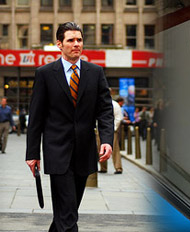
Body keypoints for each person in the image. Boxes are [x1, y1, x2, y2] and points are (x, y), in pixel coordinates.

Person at [25, 22, 114, 232]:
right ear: (59, 44)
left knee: (67, 211)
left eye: (79, 40)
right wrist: (32, 153)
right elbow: (36, 117)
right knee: (68, 214)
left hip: (84, 151)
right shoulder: (45, 73)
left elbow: (105, 110)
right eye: (71, 40)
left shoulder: (95, 72)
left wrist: (107, 140)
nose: (76, 44)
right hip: (57, 151)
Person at [99, 99, 123, 174]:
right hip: (100, 130)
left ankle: (118, 167)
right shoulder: (99, 102)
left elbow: (118, 118)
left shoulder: (115, 105)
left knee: (115, 148)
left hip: (112, 130)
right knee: (100, 149)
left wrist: (113, 128)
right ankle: (103, 167)